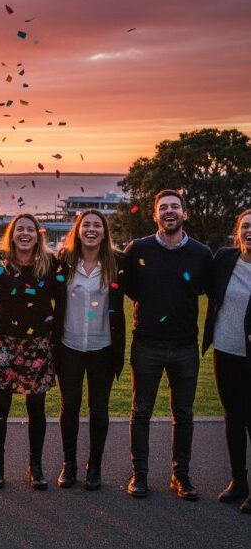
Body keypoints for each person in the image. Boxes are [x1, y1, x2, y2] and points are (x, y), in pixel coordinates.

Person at [122, 189, 213, 500]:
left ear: (184, 213)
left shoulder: (201, 254)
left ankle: (181, 476)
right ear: (155, 215)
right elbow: (129, 287)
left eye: (175, 207)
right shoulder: (138, 249)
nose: (170, 211)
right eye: (164, 208)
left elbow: (207, 289)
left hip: (185, 345)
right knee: (141, 411)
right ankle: (139, 475)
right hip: (146, 342)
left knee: (184, 413)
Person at [52, 209, 126, 491]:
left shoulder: (116, 264)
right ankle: (68, 465)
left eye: (97, 225)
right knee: (69, 407)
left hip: (102, 348)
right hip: (69, 346)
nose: (92, 229)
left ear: (104, 232)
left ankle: (94, 466)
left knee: (99, 409)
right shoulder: (63, 262)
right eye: (87, 225)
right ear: (78, 230)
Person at [0, 213, 57, 490]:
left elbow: (62, 298)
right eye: (19, 229)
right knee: (0, 407)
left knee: (36, 407)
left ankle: (35, 466)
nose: (24, 234)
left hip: (38, 344)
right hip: (4, 343)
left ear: (38, 234)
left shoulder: (51, 264)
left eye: (30, 229)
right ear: (11, 234)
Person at [202, 208, 251, 513]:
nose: (250, 231)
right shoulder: (224, 258)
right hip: (226, 350)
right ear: (238, 232)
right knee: (233, 418)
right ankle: (238, 481)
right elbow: (206, 285)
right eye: (246, 226)